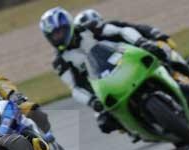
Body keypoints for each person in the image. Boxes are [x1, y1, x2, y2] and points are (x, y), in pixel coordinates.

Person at [39, 7, 175, 134]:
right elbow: (75, 88)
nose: (58, 37)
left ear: (69, 25)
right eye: (53, 35)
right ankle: (135, 130)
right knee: (105, 123)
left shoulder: (90, 28)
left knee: (159, 55)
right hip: (102, 86)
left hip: (125, 62)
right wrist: (92, 101)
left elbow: (121, 31)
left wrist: (141, 42)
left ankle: (177, 75)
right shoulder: (60, 61)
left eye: (60, 32)